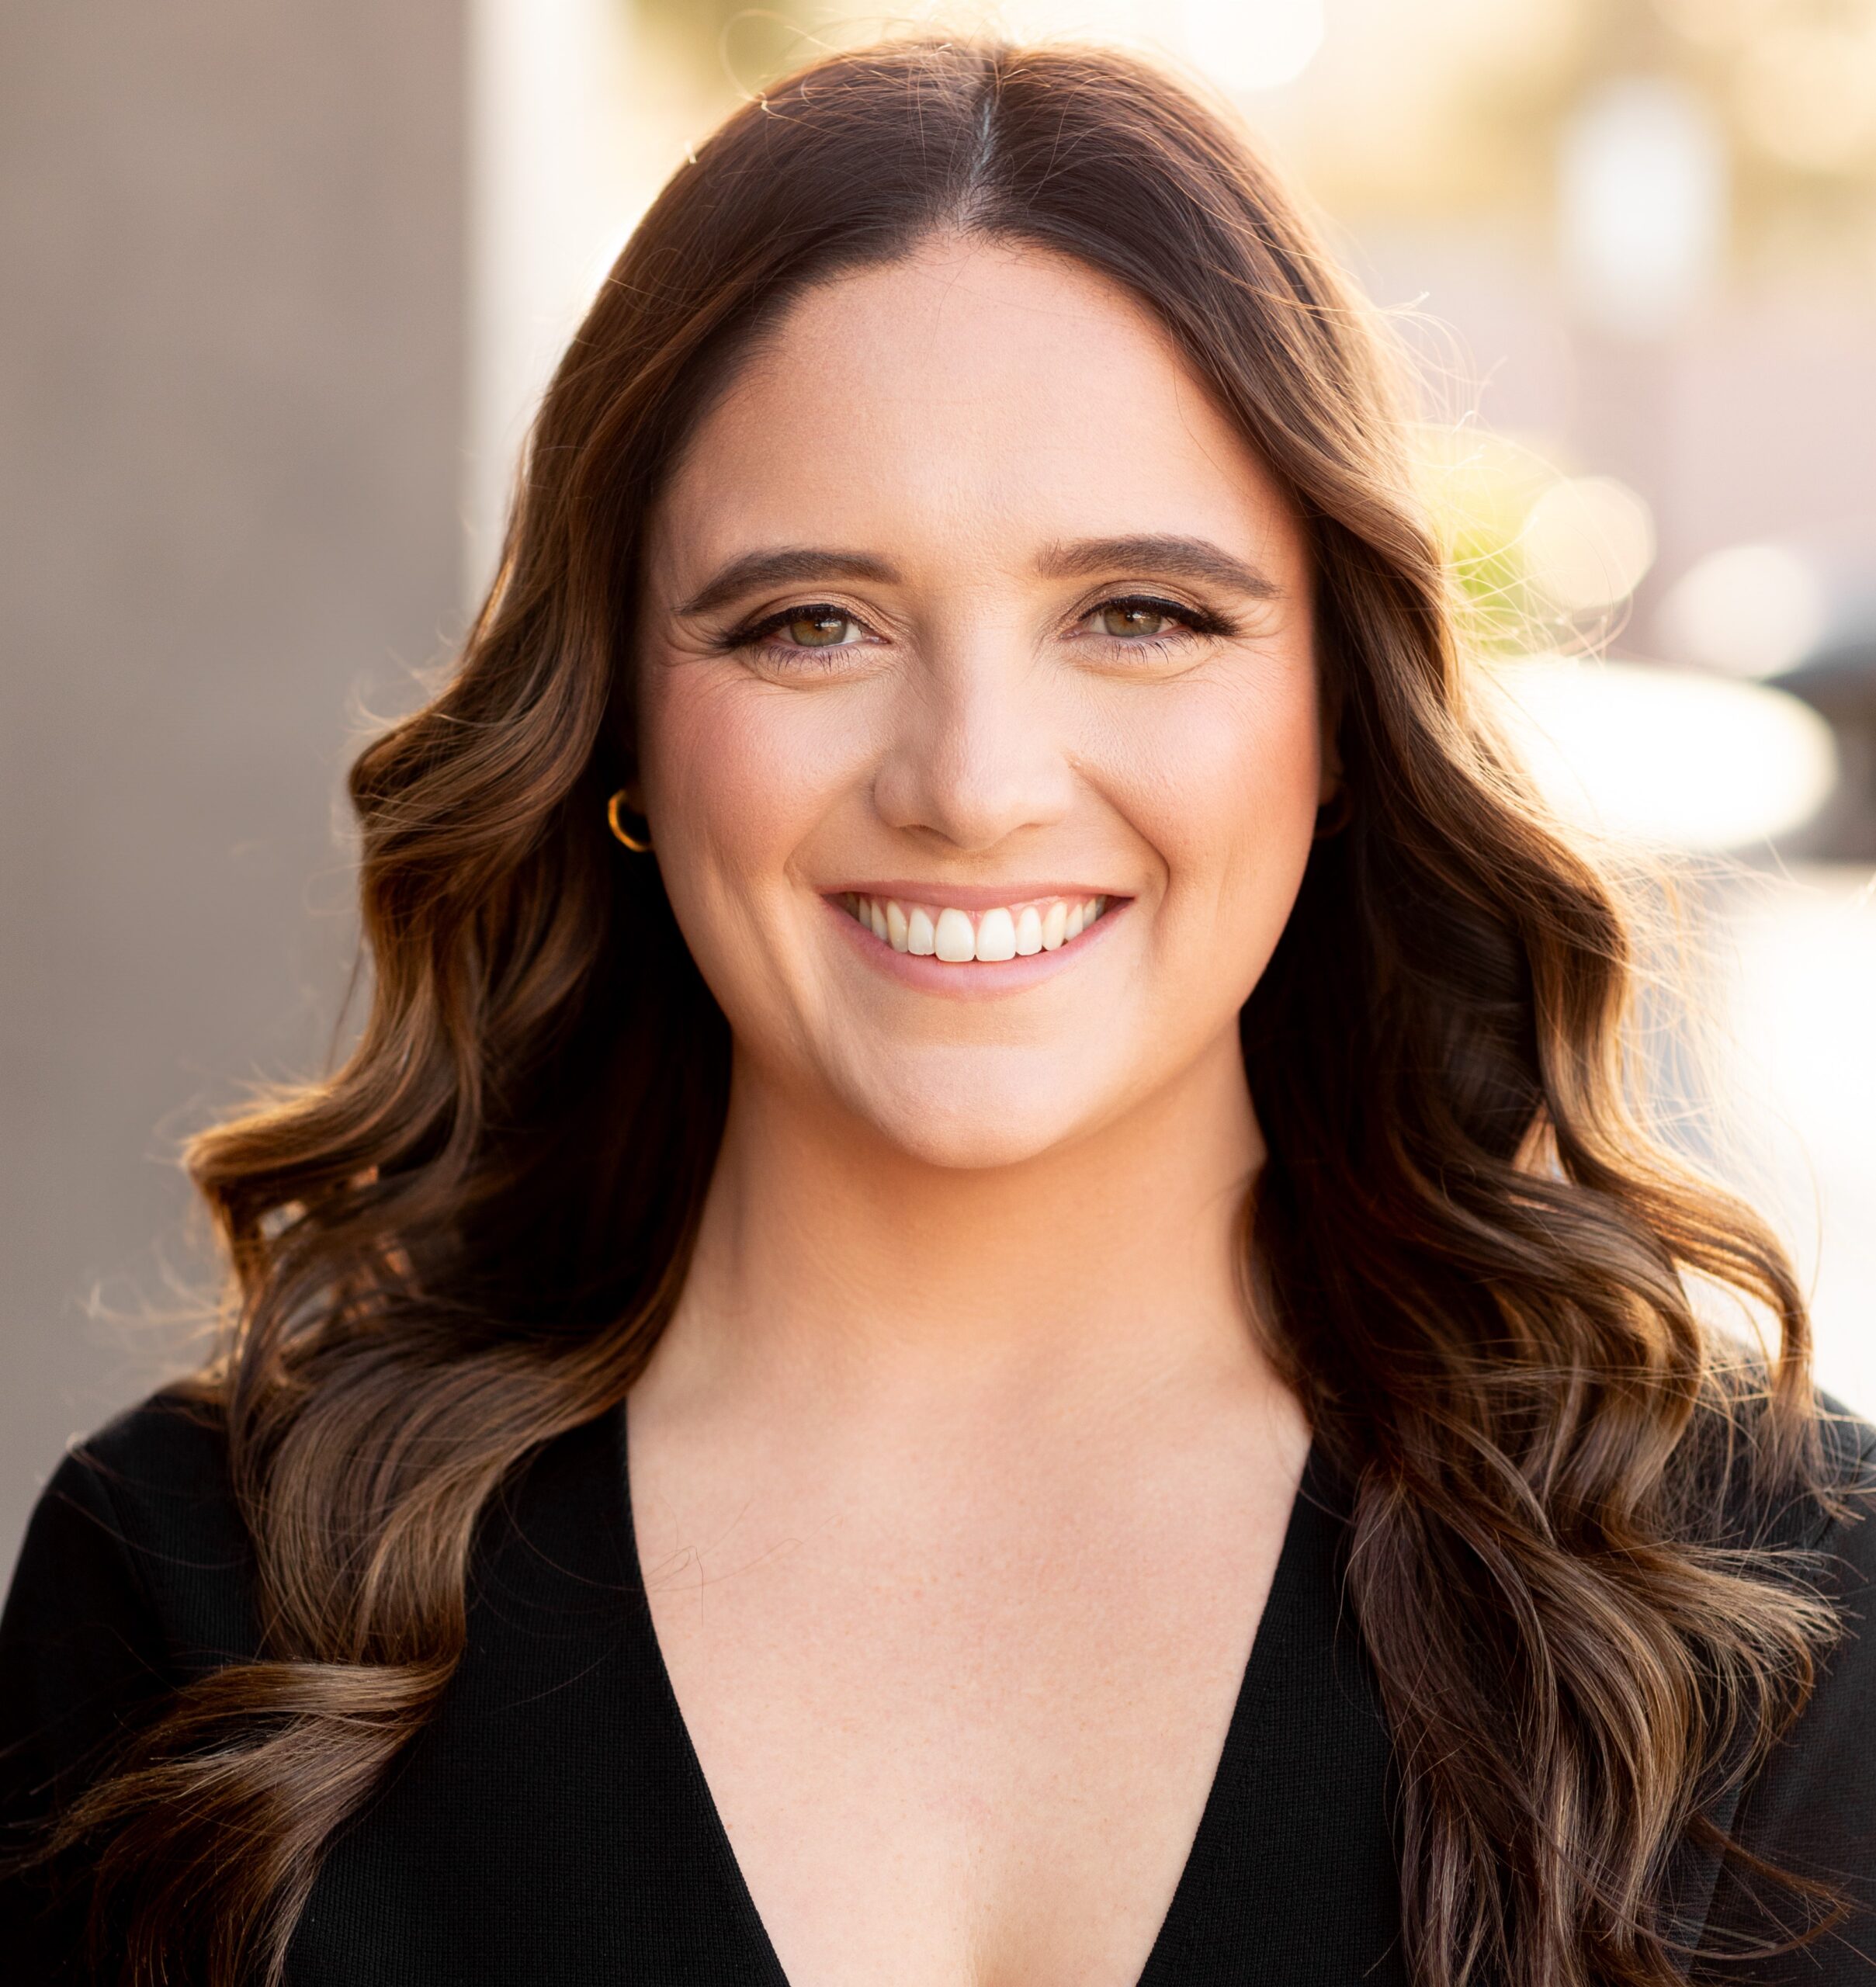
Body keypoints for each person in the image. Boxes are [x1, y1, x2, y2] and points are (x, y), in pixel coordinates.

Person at [2, 36, 1871, 1987]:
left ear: (1338, 717)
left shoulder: (1759, 1609)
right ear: (621, 717)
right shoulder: (204, 1592)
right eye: (812, 620)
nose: (973, 782)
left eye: (1141, 612)